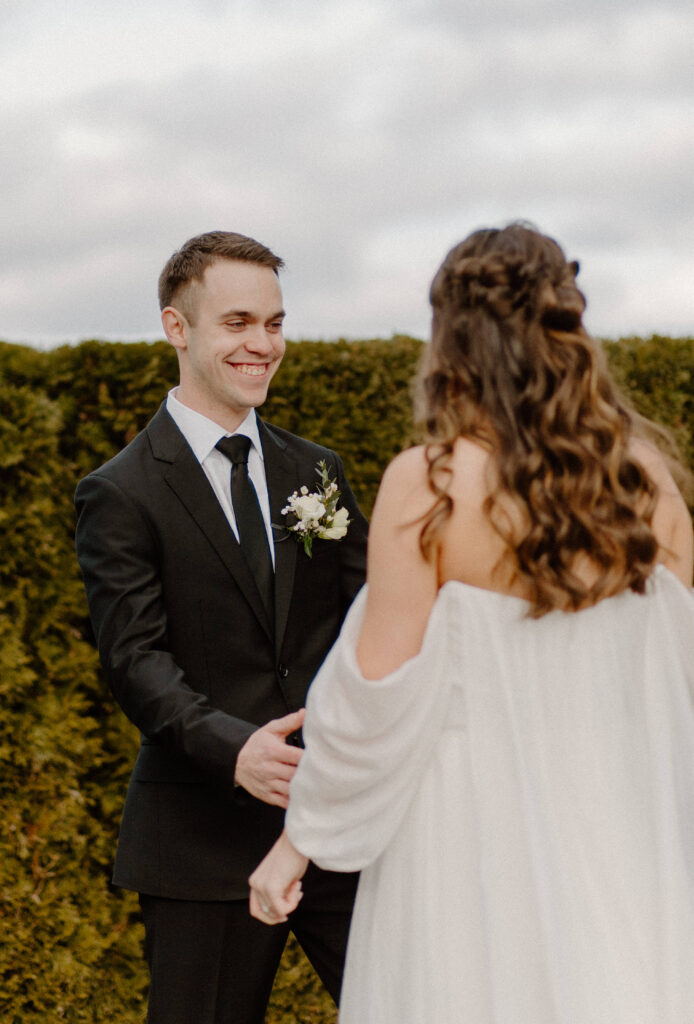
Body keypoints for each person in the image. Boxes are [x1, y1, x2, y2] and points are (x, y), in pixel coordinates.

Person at [249, 223, 694, 1023]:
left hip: (469, 847)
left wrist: (298, 840)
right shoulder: (650, 486)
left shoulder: (432, 485)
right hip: (621, 841)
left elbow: (370, 700)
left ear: (450, 338)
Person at [74, 231, 368, 1024]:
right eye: (239, 322)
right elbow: (134, 661)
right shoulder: (121, 492)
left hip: (334, 823)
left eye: (275, 323)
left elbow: (371, 623)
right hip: (199, 841)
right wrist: (235, 749)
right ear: (178, 327)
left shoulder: (318, 472)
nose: (263, 344)